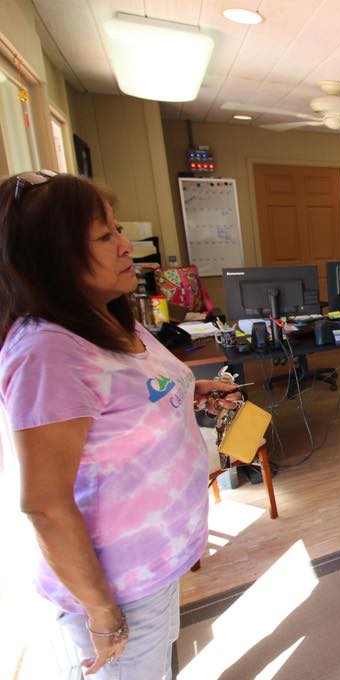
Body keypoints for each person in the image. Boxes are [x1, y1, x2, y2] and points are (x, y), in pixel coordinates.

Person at [0, 170, 239, 678]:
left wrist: (190, 392)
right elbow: (45, 504)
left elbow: (127, 398)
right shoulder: (48, 353)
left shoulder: (106, 315)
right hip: (117, 586)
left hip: (155, 564)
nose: (126, 246)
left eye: (118, 230)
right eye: (104, 236)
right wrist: (102, 613)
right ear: (52, 256)